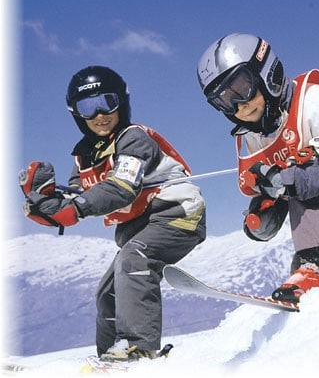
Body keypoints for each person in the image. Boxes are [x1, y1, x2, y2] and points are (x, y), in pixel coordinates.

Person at [19, 66, 206, 361]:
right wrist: (47, 204)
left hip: (176, 215)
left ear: (122, 102)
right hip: (140, 227)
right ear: (76, 114)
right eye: (88, 108)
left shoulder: (132, 139)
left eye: (107, 103)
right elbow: (79, 195)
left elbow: (121, 187)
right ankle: (109, 356)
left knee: (134, 260)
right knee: (108, 294)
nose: (99, 116)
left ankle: (136, 348)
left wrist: (75, 209)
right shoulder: (84, 156)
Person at [196, 32, 319, 304]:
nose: (238, 106)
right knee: (293, 185)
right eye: (224, 101)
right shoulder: (256, 134)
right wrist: (265, 209)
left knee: (304, 181)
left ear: (266, 75)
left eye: (241, 89)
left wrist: (285, 182)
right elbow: (274, 181)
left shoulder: (315, 102)